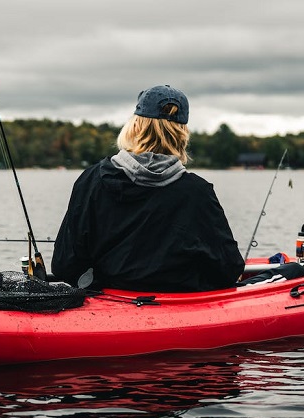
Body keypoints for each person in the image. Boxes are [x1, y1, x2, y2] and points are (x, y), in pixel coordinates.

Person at [52, 85, 245, 292]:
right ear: (182, 134)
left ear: (134, 126)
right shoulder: (198, 192)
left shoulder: (91, 180)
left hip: (110, 305)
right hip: (180, 308)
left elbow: (65, 266)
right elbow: (228, 269)